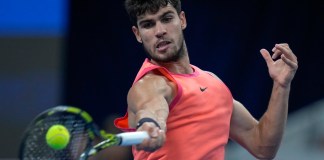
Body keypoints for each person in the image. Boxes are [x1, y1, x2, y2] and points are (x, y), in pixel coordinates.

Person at [114, 0, 298, 159]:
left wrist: (281, 85)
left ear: (182, 20)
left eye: (167, 18)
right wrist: (150, 126)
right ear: (137, 34)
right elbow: (151, 108)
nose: (160, 31)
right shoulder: (149, 84)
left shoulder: (213, 83)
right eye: (148, 24)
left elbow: (263, 146)